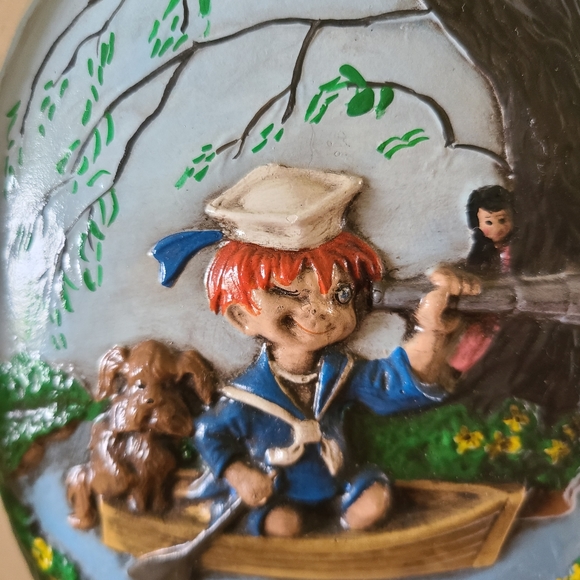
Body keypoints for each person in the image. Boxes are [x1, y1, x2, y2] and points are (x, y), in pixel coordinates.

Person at [153, 164, 479, 537]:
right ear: (241, 316)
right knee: (282, 524)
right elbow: (211, 434)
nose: (322, 312)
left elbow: (397, 384)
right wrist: (240, 474)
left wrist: (433, 329)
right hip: (276, 491)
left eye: (340, 294)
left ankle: (344, 543)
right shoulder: (246, 395)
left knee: (373, 501)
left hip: (337, 484)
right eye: (292, 294)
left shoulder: (340, 374)